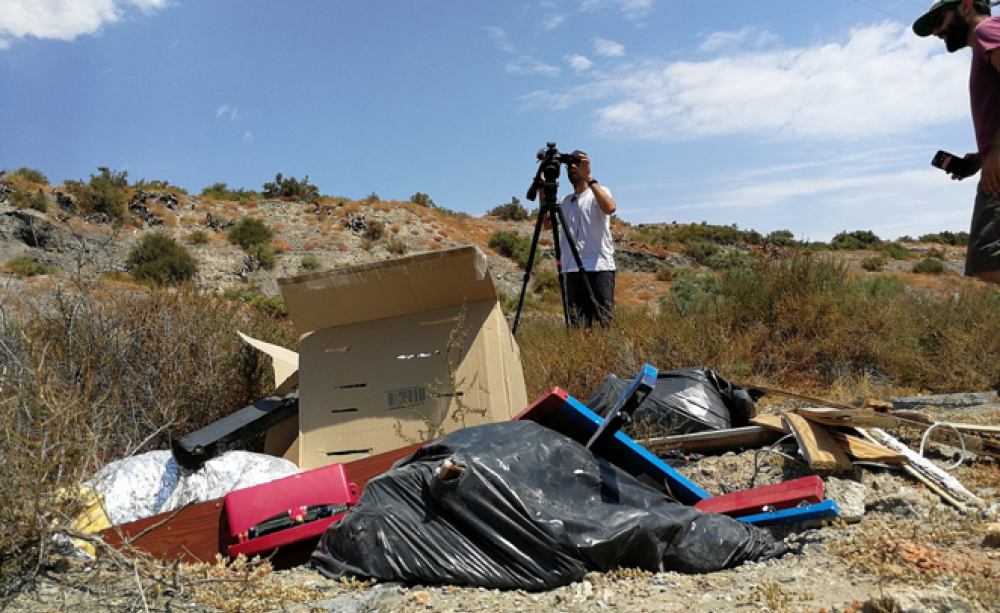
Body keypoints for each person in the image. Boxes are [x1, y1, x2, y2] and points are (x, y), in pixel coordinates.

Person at [914, 0, 1000, 284]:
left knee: (988, 261)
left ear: (965, 7)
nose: (937, 31)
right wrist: (981, 156)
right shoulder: (984, 42)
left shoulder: (986, 30)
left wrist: (997, 152)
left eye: (939, 21)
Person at [541, 150, 618, 328]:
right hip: (573, 270)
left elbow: (610, 207)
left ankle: (607, 356)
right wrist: (542, 192)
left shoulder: (599, 191)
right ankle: (582, 355)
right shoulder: (566, 201)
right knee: (578, 325)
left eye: (578, 164)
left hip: (599, 268)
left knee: (603, 323)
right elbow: (547, 225)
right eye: (569, 166)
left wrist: (589, 177)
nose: (573, 168)